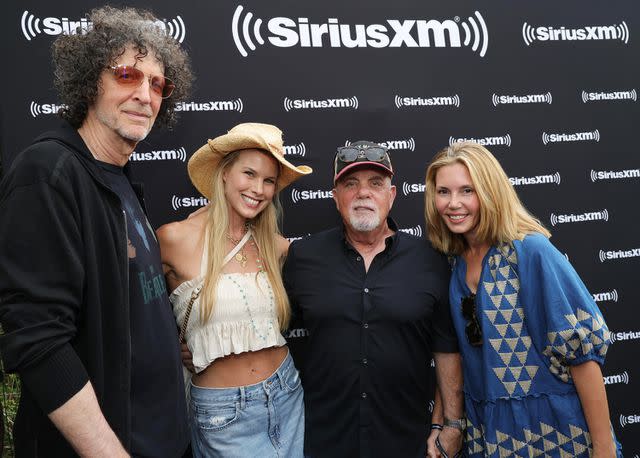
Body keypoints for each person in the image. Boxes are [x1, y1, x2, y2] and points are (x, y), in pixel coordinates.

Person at [0, 6, 193, 456]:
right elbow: (39, 341)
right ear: (90, 83)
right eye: (127, 75)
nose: (145, 94)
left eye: (157, 83)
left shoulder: (120, 179)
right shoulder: (48, 172)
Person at [424, 141, 622, 457]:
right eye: (443, 191)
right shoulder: (454, 263)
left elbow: (582, 357)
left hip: (557, 436)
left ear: (490, 192)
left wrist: (604, 450)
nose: (453, 203)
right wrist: (445, 424)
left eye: (467, 191)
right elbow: (456, 356)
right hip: (489, 438)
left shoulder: (529, 252)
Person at [282, 141, 465, 457]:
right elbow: (272, 328)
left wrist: (451, 424)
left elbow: (447, 348)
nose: (363, 193)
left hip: (407, 440)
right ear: (335, 197)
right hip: (325, 440)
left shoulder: (430, 259)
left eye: (376, 184)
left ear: (391, 196)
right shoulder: (303, 256)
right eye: (350, 184)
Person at [157, 122, 312, 457]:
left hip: (287, 394)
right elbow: (134, 314)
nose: (259, 188)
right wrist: (176, 348)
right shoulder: (173, 239)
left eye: (269, 180)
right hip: (223, 416)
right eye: (249, 174)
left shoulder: (276, 246)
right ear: (224, 173)